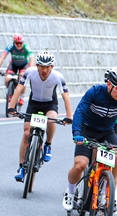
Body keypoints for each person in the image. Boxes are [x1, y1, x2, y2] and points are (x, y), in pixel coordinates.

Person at [63, 67, 117, 211]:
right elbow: (80, 111)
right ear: (109, 84)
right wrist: (77, 133)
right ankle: (70, 191)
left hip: (107, 132)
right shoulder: (95, 92)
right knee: (80, 164)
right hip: (87, 129)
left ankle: (107, 194)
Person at [7, 51, 73, 182]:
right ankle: (21, 167)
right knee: (27, 133)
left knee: (51, 121)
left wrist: (69, 116)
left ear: (52, 67)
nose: (44, 70)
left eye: (48, 67)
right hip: (34, 104)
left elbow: (66, 97)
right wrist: (11, 107)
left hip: (50, 104)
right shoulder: (29, 72)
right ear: (37, 65)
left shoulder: (58, 76)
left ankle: (48, 144)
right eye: (42, 66)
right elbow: (19, 89)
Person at [0, 33, 35, 106]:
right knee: (7, 78)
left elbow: (32, 59)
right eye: (17, 43)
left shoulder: (26, 47)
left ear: (23, 42)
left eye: (20, 43)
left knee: (22, 79)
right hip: (13, 65)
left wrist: (31, 70)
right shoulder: (10, 46)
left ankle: (22, 97)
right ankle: (10, 92)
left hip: (24, 65)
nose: (19, 45)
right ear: (14, 42)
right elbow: (2, 57)